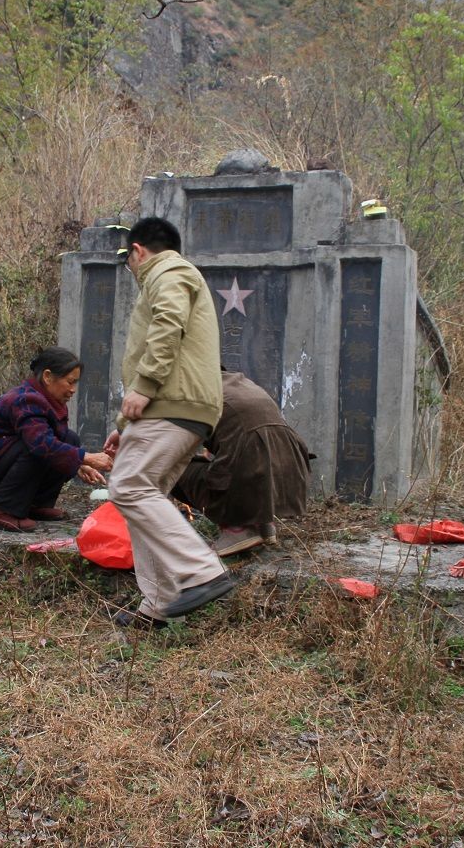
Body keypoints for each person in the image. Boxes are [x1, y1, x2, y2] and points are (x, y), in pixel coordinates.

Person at [104, 216, 233, 630]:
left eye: (130, 261)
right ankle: (156, 606)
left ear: (138, 251)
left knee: (128, 486)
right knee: (143, 496)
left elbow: (167, 323)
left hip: (171, 401)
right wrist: (124, 424)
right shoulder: (175, 273)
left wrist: (144, 384)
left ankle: (201, 571)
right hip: (176, 406)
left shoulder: (169, 270)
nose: (132, 270)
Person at [0, 347, 114, 533]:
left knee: (69, 439)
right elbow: (41, 444)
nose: (73, 390)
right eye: (70, 382)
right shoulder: (26, 400)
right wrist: (87, 457)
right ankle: (0, 508)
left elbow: (59, 441)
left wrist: (78, 464)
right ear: (48, 377)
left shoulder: (47, 400)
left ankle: (35, 503)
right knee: (38, 447)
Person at [172, 370, 311, 556]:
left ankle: (236, 529)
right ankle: (262, 523)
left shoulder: (188, 389)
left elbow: (168, 447)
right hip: (291, 475)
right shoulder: (236, 381)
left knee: (166, 466)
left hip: (251, 467)